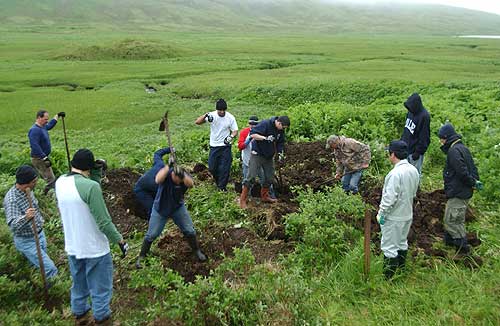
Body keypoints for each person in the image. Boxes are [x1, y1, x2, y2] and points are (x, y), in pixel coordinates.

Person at [55, 149, 128, 325]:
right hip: (94, 247)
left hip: (73, 245)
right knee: (100, 286)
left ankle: (80, 314)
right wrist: (120, 240)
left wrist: (92, 173)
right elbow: (103, 221)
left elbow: (84, 190)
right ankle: (102, 318)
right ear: (89, 167)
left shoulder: (60, 182)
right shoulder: (91, 187)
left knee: (79, 281)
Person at [136, 159, 207, 269]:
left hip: (177, 208)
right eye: (175, 178)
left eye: (179, 180)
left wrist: (182, 175)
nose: (177, 182)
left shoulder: (184, 177)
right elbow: (157, 179)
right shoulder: (166, 175)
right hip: (160, 209)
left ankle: (196, 251)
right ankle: (142, 256)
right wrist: (168, 166)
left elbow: (191, 184)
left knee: (189, 230)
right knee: (152, 234)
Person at [3, 165, 58, 280]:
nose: (36, 183)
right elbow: (13, 225)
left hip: (39, 235)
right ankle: (54, 294)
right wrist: (26, 217)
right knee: (50, 269)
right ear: (25, 183)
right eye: (34, 181)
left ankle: (36, 292)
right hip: (27, 241)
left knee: (36, 269)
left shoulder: (28, 190)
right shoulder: (12, 200)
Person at [376, 140, 419, 279]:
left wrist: (381, 213)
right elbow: (414, 192)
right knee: (401, 242)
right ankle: (400, 271)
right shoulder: (413, 170)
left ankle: (388, 278)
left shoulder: (395, 174)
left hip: (394, 217)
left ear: (393, 154)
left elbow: (389, 198)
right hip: (407, 214)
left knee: (389, 247)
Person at [438, 123, 480, 254]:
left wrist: (472, 182)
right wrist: (473, 182)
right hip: (463, 191)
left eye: (441, 138)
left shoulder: (453, 151)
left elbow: (462, 172)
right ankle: (449, 241)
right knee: (457, 218)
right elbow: (472, 168)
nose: (440, 141)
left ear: (446, 137)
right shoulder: (462, 148)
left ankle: (463, 250)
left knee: (451, 221)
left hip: (458, 192)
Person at [239, 116, 290, 209]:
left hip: (268, 156)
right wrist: (265, 138)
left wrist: (280, 152)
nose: (283, 129)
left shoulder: (280, 130)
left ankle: (265, 196)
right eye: (283, 127)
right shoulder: (265, 124)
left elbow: (280, 142)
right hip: (257, 154)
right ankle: (242, 199)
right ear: (279, 123)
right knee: (251, 177)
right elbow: (253, 134)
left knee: (270, 177)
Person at [195, 99, 238, 191]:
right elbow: (197, 122)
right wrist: (205, 115)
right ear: (217, 110)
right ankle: (218, 182)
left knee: (225, 168)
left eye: (224, 110)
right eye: (220, 110)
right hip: (214, 146)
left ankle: (222, 187)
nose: (222, 112)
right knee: (212, 167)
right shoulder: (212, 116)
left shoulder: (230, 117)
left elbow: (235, 131)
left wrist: (230, 137)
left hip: (225, 146)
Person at [28, 110, 65, 194]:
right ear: (38, 118)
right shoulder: (34, 130)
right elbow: (35, 146)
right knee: (50, 179)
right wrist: (44, 157)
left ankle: (43, 194)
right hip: (39, 159)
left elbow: (49, 126)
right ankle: (47, 196)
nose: (47, 121)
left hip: (42, 157)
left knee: (45, 178)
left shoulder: (42, 127)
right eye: (45, 119)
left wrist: (57, 116)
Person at [133, 147, 174, 219]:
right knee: (153, 210)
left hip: (149, 187)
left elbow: (157, 154)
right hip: (141, 190)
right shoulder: (158, 183)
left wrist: (170, 149)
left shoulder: (160, 164)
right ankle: (151, 223)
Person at [401, 93, 430, 176]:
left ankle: (416, 189)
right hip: (406, 149)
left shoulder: (424, 116)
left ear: (416, 105)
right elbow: (406, 130)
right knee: (405, 174)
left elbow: (425, 137)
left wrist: (418, 152)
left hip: (415, 152)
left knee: (414, 174)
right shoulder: (410, 112)